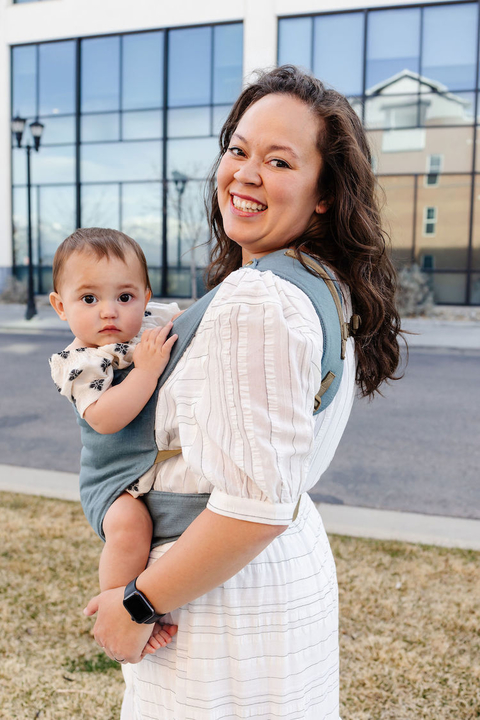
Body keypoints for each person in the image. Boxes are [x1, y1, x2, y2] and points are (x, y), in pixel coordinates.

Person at [83, 66, 402, 719]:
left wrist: (136, 602)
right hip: (265, 573)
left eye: (279, 160)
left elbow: (251, 508)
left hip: (217, 597)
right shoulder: (318, 283)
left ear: (323, 193)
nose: (245, 173)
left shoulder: (260, 300)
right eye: (238, 149)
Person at [49, 228, 179, 653]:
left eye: (125, 297)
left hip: (144, 470)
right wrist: (145, 372)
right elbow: (104, 419)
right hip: (109, 482)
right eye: (89, 299)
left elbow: (191, 323)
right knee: (131, 527)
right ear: (60, 306)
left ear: (145, 295)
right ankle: (117, 604)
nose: (110, 311)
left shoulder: (147, 329)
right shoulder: (81, 363)